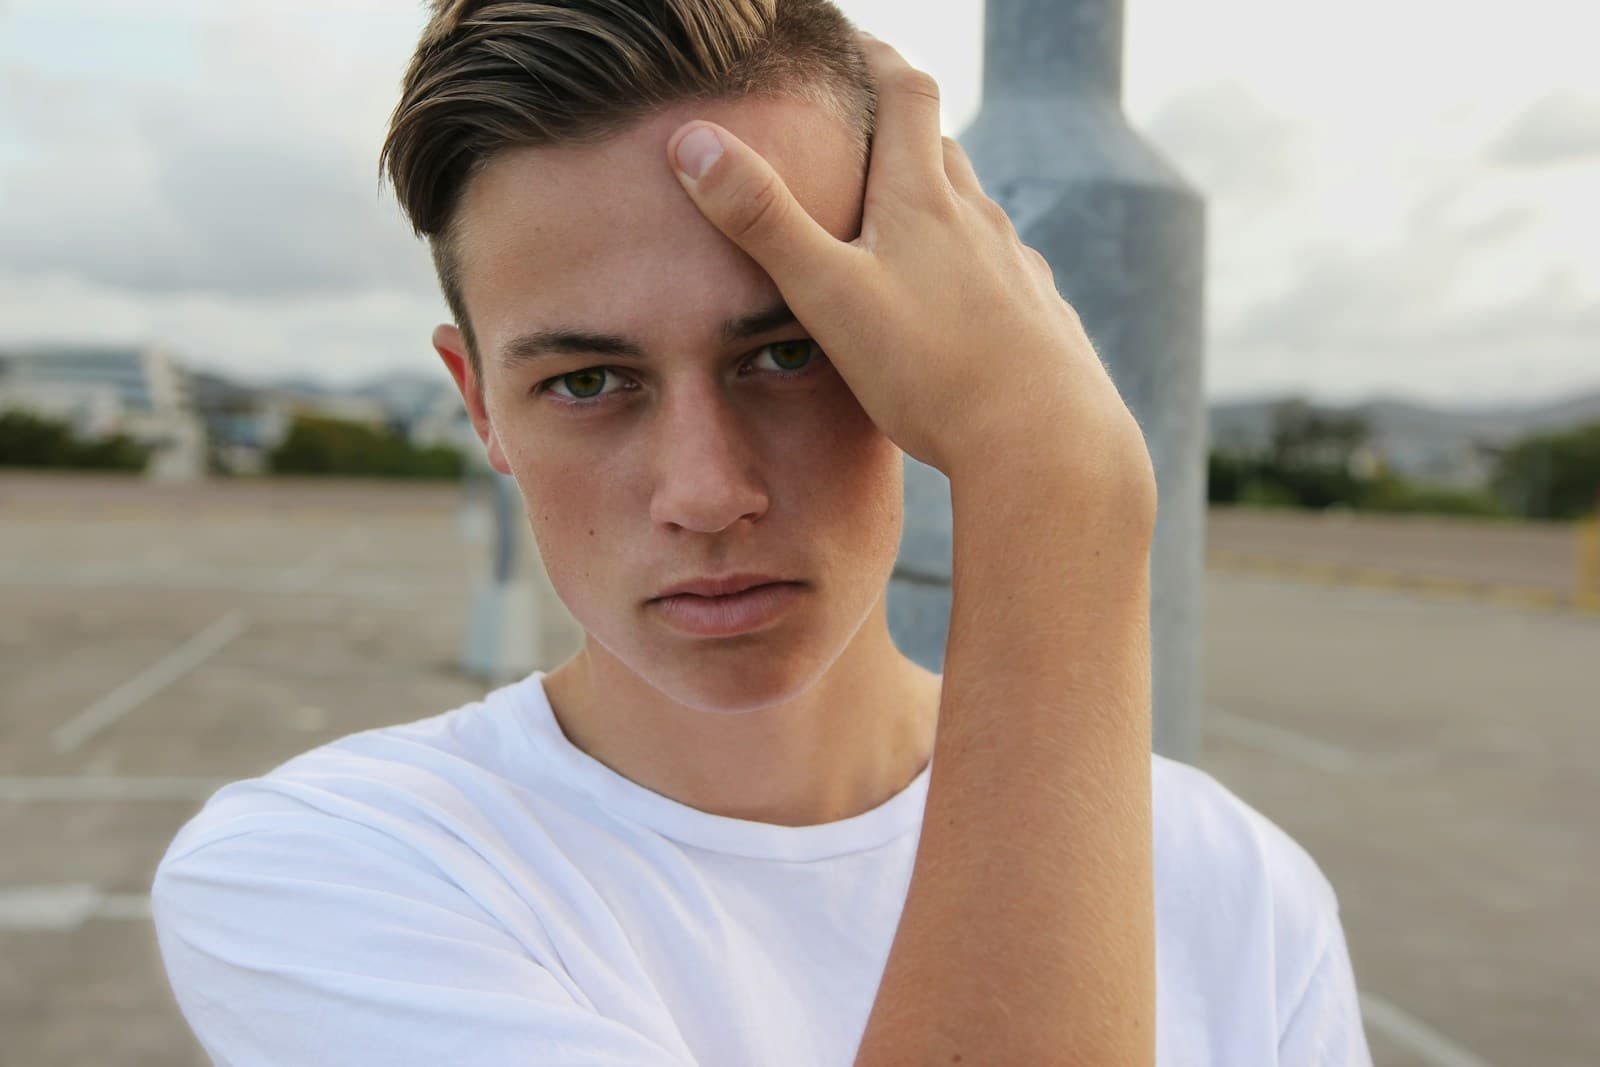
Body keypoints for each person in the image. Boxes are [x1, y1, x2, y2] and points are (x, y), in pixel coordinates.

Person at [151, 2, 1373, 1064]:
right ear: (480, 405)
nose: (705, 490)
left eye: (789, 353)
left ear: (921, 338)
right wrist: (1058, 485)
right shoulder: (330, 873)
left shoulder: (1232, 881)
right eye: (587, 380)